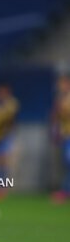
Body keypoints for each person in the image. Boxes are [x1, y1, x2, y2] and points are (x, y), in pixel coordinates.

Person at [51, 74, 70, 203]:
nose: (60, 86)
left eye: (62, 83)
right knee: (67, 164)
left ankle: (65, 190)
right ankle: (65, 190)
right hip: (66, 135)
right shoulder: (61, 98)